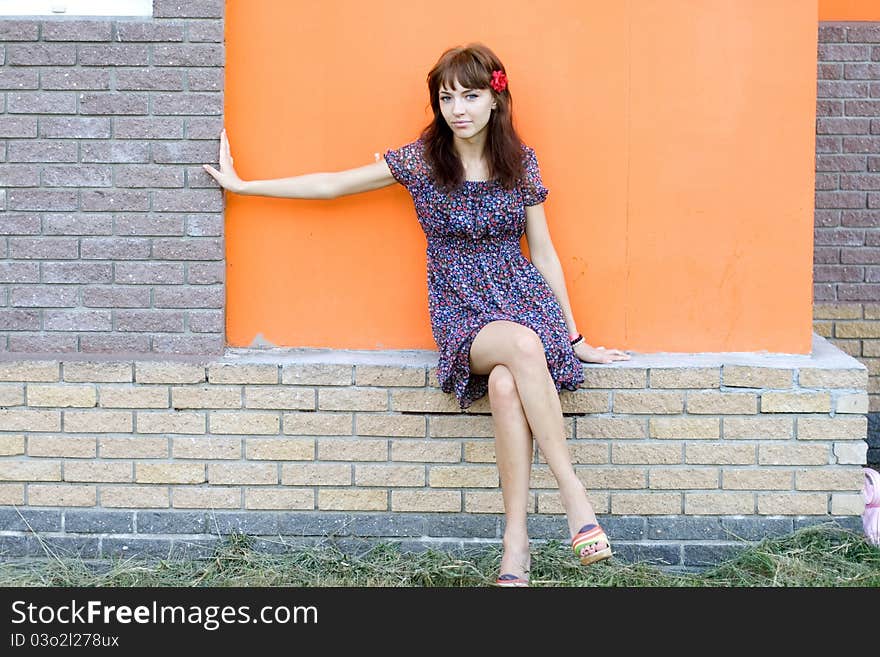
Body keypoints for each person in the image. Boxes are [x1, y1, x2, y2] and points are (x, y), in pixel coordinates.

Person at [203, 43, 632, 587]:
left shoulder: (520, 163)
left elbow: (543, 253)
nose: (458, 109)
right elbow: (334, 184)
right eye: (447, 97)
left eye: (471, 96)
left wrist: (573, 338)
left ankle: (515, 548)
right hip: (460, 308)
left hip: (524, 299)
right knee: (521, 348)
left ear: (495, 99)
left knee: (506, 385)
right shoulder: (423, 162)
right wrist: (246, 186)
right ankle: (575, 497)